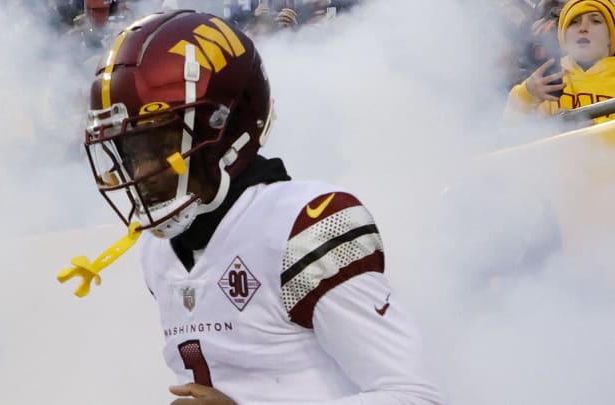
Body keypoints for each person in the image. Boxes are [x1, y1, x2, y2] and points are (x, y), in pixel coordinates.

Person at [79, 10, 443, 404]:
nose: (143, 169)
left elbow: (417, 396)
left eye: (161, 144)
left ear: (223, 130)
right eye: (130, 150)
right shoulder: (158, 250)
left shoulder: (305, 227)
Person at [505, 0, 615, 124]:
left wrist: (593, 132)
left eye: (595, 21)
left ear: (610, 36)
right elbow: (510, 132)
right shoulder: (544, 80)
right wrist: (527, 94)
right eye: (574, 22)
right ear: (564, 37)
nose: (583, 28)